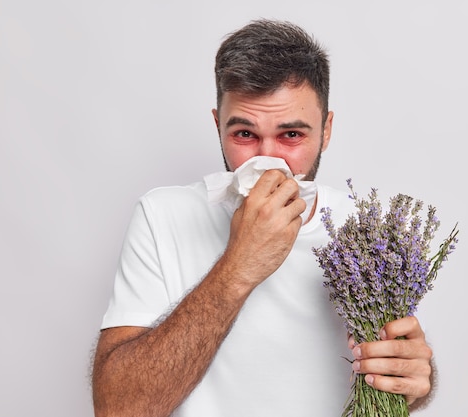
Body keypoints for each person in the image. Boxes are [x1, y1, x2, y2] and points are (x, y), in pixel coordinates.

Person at [92, 19, 434, 417]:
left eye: (291, 135)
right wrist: (239, 265)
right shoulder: (163, 215)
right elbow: (118, 408)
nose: (267, 160)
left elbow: (398, 367)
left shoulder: (368, 230)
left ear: (326, 130)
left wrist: (413, 380)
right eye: (244, 134)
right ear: (218, 125)